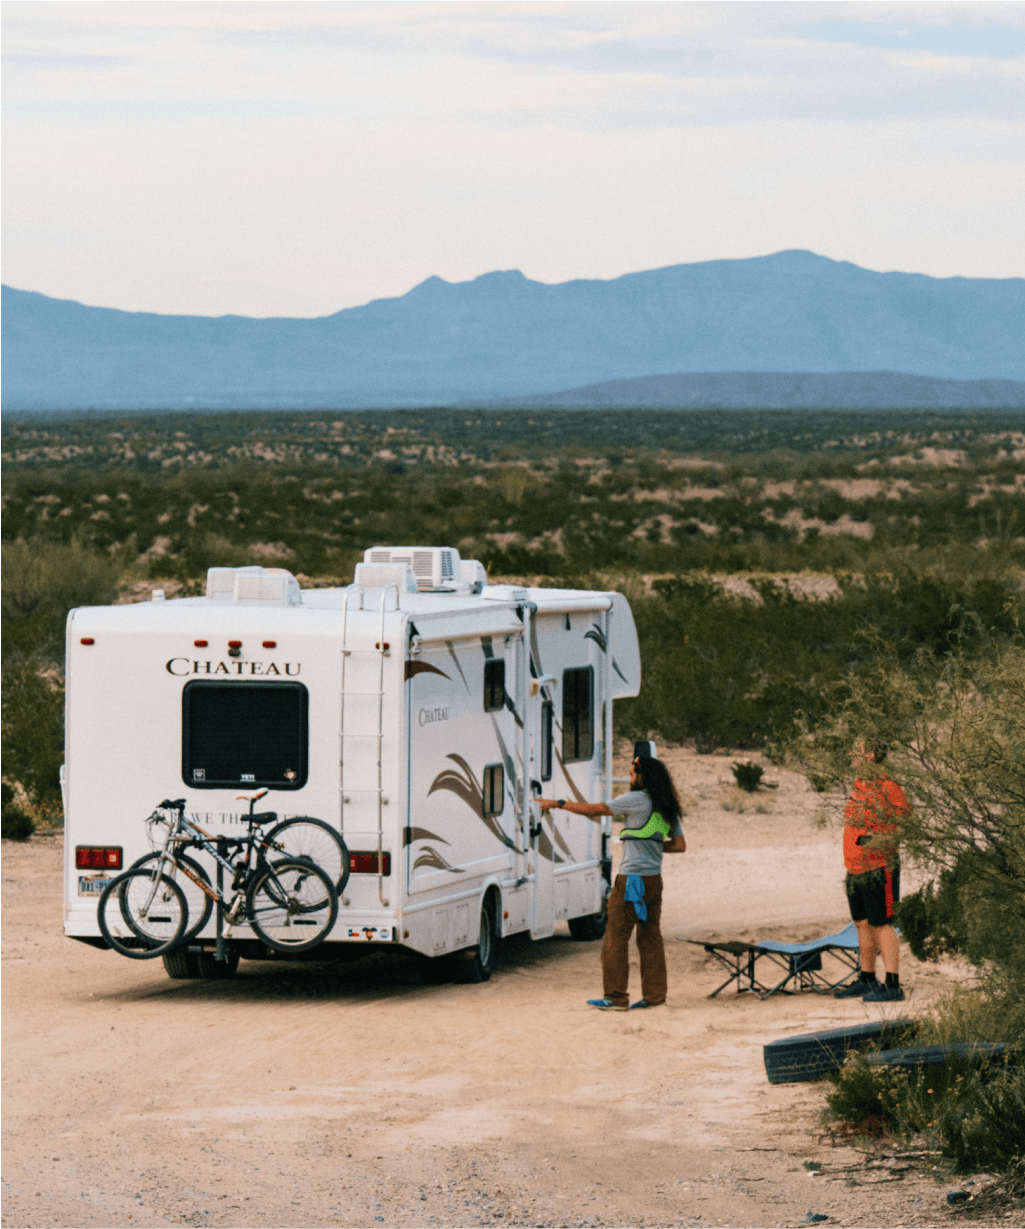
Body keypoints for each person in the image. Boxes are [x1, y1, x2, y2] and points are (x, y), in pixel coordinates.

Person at [539, 754, 686, 1011]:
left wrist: (558, 803)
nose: (630, 778)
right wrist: (650, 845)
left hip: (632, 881)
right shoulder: (667, 804)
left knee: (616, 937)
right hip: (653, 881)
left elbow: (595, 810)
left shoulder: (636, 799)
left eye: (632, 773)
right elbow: (679, 845)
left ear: (643, 776)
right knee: (650, 937)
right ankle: (655, 997)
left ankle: (616, 998)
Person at [835, 739, 909, 1003]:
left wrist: (878, 838)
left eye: (856, 750)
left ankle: (893, 984)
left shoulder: (889, 787)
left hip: (879, 867)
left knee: (883, 924)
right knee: (863, 923)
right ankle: (867, 977)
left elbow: (905, 823)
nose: (851, 755)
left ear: (871, 755)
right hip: (855, 866)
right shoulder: (859, 784)